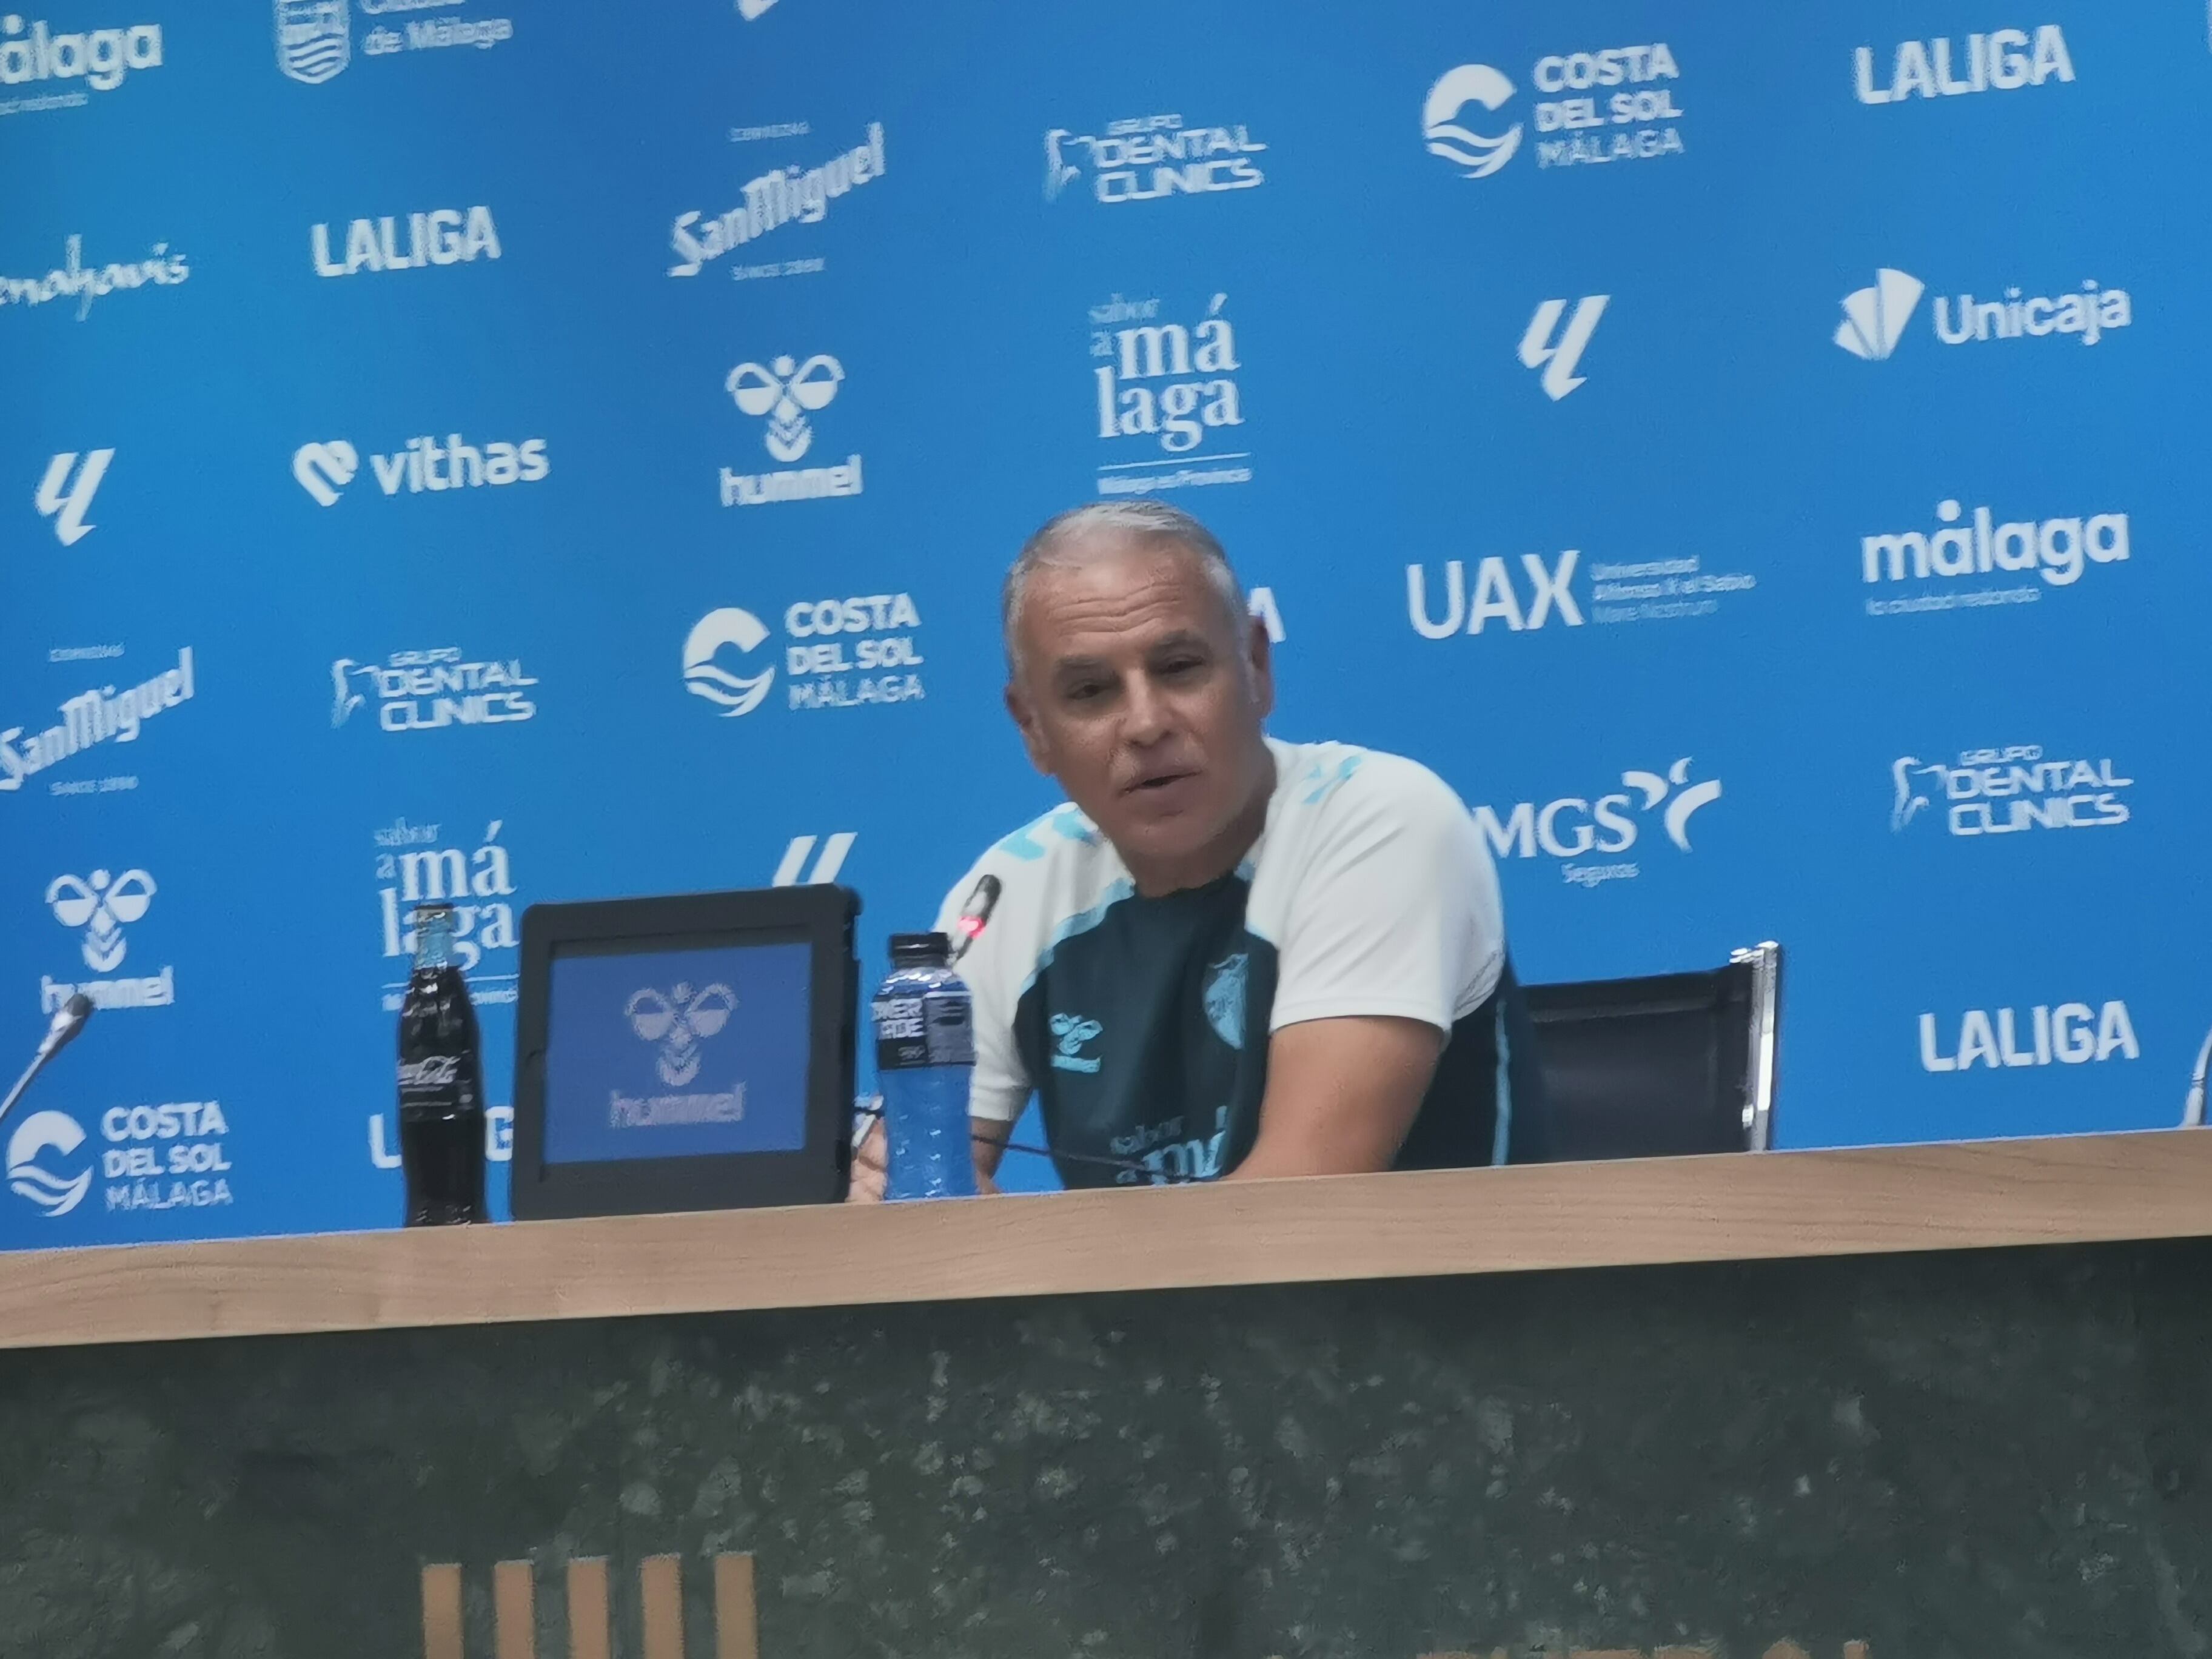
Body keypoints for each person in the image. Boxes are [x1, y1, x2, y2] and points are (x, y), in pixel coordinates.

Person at [851, 500, 1543, 1198]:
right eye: (1091, 691)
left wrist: (1012, 1251)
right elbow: (907, 1183)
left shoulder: (1380, 819)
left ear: (1255, 665)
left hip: (1428, 1305)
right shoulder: (1011, 887)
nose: (1146, 723)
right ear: (1032, 727)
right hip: (1130, 1306)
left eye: (1179, 668)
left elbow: (1296, 1205)